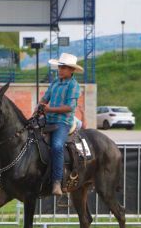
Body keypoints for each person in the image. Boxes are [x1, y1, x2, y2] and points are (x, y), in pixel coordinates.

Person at [38, 53, 82, 196]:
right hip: (48, 119)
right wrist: (38, 109)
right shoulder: (55, 83)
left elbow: (69, 107)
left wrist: (49, 109)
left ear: (71, 70)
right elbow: (44, 99)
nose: (60, 70)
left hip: (63, 122)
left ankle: (57, 182)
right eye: (60, 67)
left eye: (64, 67)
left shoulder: (74, 86)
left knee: (57, 146)